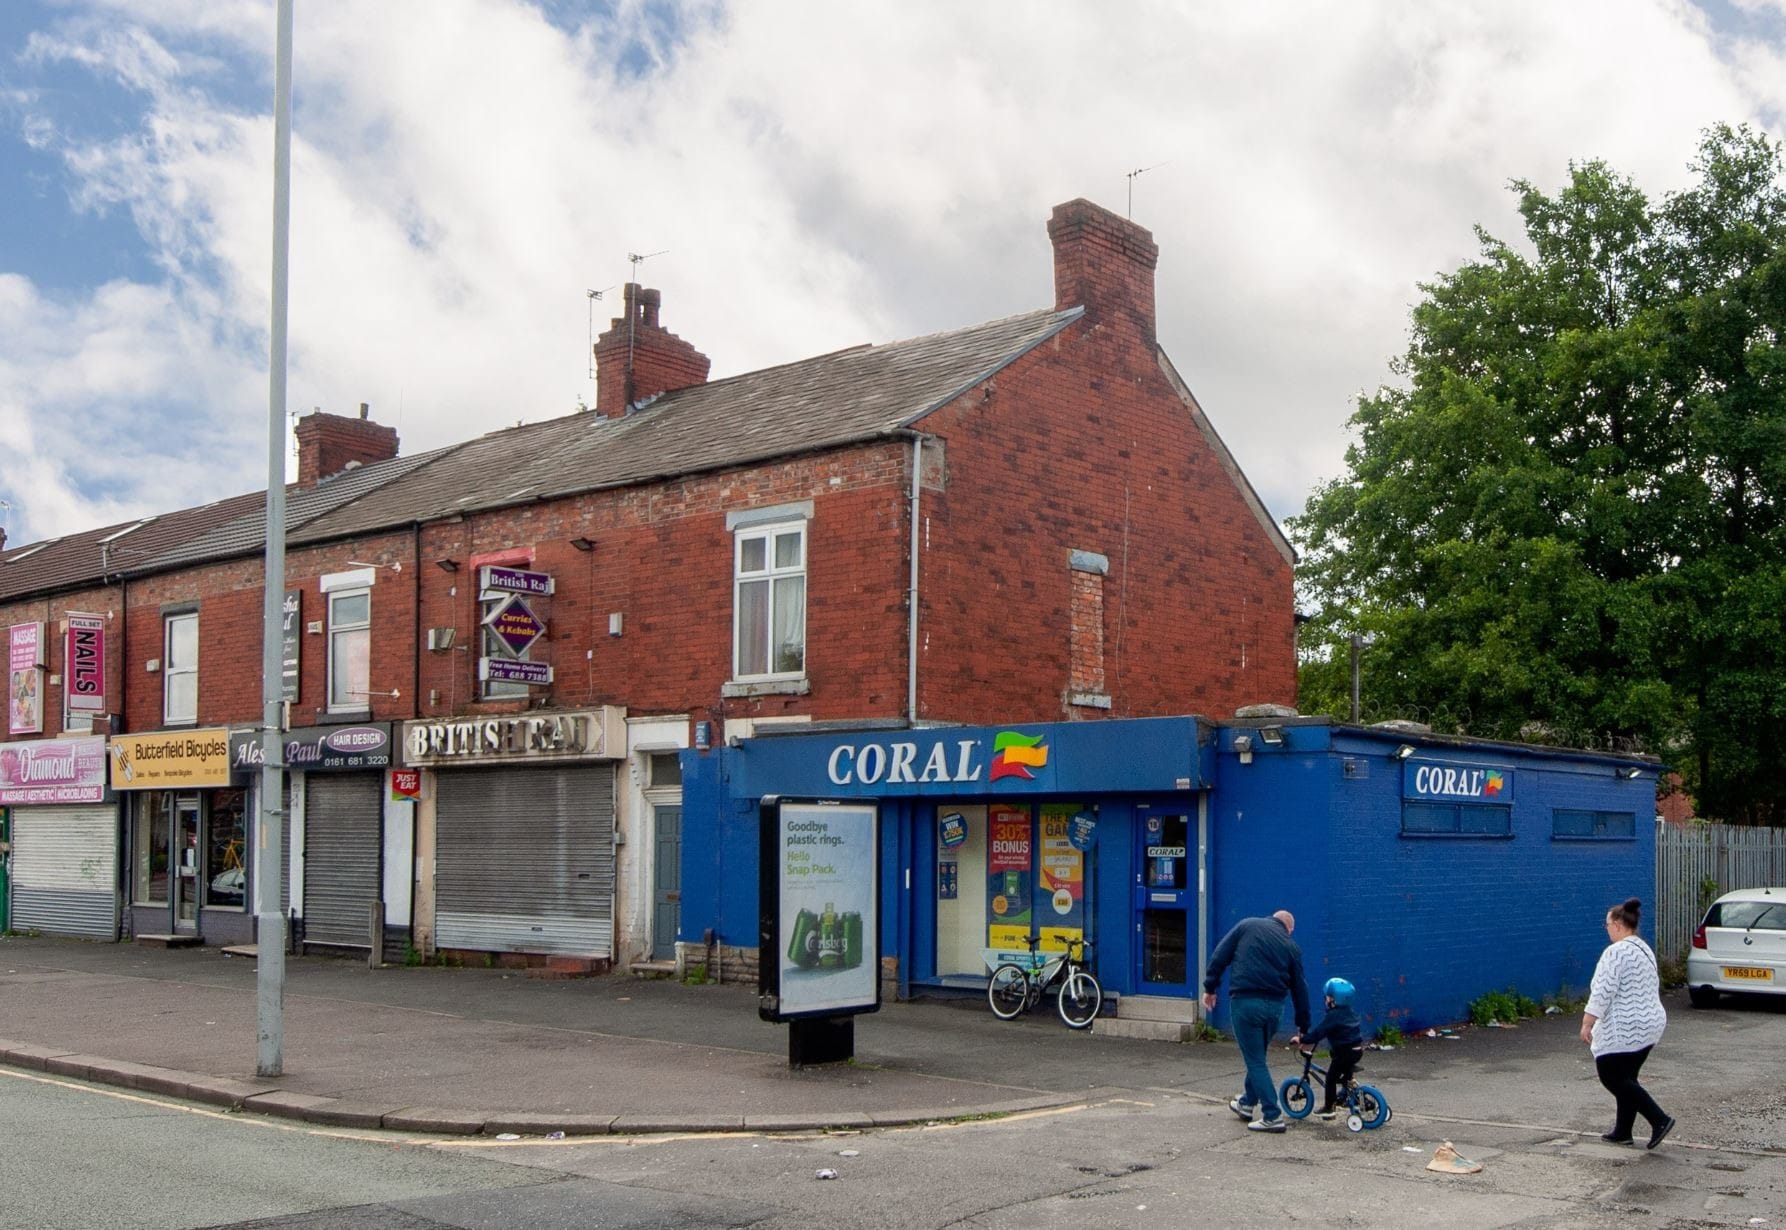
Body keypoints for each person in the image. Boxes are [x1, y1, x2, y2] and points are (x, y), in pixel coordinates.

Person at [1202, 909, 1310, 1133]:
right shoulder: (1291, 947)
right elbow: (1301, 988)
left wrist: (1210, 987)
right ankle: (1246, 1104)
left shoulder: (1247, 925)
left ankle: (1272, 1114)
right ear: (1288, 928)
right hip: (1275, 1008)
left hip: (1246, 1003)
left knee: (1255, 1061)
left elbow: (1220, 956)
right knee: (1257, 1057)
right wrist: (1303, 1026)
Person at [1581, 896, 1674, 1149]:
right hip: (1652, 1022)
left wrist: (1588, 1022)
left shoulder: (1616, 952)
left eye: (1607, 925)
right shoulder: (1643, 948)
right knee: (1628, 1076)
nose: (1607, 929)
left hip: (1629, 1023)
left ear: (1619, 925)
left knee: (1611, 1074)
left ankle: (1659, 1119)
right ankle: (1623, 1131)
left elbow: (1603, 990)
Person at [1291, 976, 1365, 1120]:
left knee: (1331, 1079)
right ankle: (1348, 1089)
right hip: (1356, 1050)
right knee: (1341, 1066)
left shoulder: (1333, 1016)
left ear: (1333, 999)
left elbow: (1318, 1033)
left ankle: (1329, 1108)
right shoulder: (1349, 1012)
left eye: (1327, 997)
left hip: (1344, 1052)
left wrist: (1301, 1039)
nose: (1326, 1000)